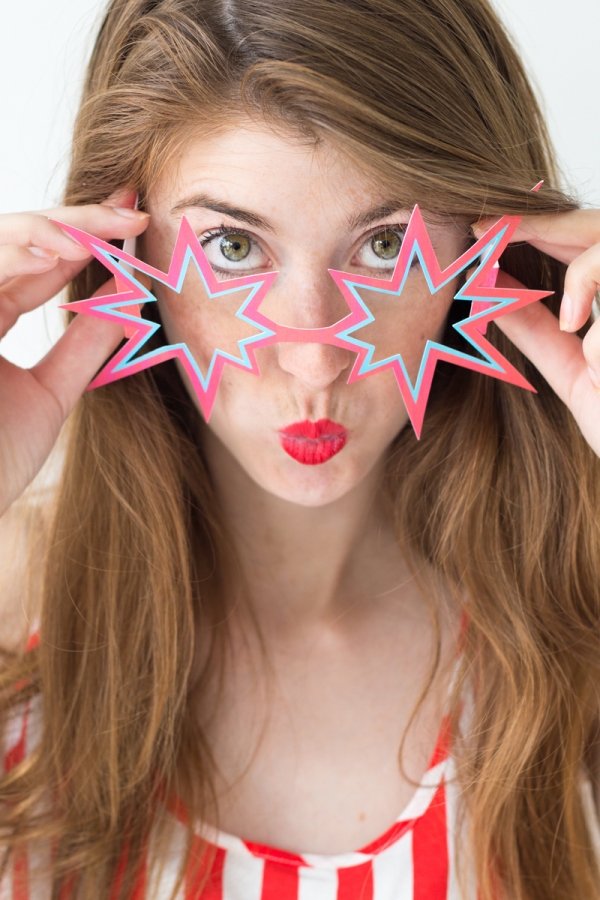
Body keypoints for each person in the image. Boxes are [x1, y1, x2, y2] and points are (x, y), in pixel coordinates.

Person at [1, 0, 600, 897]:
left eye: (386, 243)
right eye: (235, 247)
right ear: (121, 256)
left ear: (491, 247)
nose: (316, 353)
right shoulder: (13, 632)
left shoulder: (577, 635)